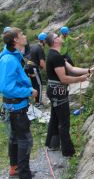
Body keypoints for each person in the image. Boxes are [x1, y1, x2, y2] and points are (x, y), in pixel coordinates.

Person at [45, 32, 94, 157]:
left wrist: (89, 70)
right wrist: (81, 79)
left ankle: (52, 144)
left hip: (54, 91)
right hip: (58, 92)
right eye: (57, 36)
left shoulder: (57, 55)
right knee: (64, 122)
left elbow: (72, 69)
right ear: (55, 41)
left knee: (55, 117)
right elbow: (63, 78)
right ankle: (68, 152)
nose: (60, 37)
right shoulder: (55, 57)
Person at [0, 27, 38, 178]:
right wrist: (28, 91)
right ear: (15, 39)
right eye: (22, 34)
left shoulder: (12, 56)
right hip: (17, 108)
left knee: (15, 138)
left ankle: (15, 169)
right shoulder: (8, 59)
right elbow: (5, 87)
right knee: (25, 140)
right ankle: (23, 174)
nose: (25, 35)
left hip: (13, 107)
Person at [26, 32, 47, 108]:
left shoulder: (33, 45)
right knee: (39, 85)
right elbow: (42, 63)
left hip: (28, 66)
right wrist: (48, 71)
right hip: (33, 67)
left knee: (34, 84)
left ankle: (36, 101)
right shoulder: (40, 48)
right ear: (44, 40)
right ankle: (39, 103)